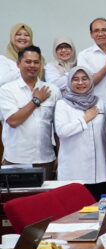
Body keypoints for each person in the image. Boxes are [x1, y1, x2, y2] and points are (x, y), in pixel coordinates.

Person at [0, 46, 61, 179]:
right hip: (16, 159)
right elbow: (13, 121)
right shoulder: (7, 90)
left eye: (36, 62)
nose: (32, 65)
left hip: (46, 159)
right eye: (28, 62)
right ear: (18, 64)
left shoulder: (53, 90)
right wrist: (36, 101)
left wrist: (60, 155)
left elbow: (58, 128)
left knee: (46, 193)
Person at [54, 66, 106, 199]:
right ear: (69, 82)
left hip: (99, 171)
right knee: (75, 209)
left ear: (90, 80)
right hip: (74, 170)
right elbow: (62, 131)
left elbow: (105, 132)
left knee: (99, 208)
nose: (80, 83)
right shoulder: (62, 104)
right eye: (75, 79)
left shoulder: (99, 102)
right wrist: (85, 119)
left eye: (85, 79)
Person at [78, 18, 106, 113]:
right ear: (91, 34)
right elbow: (86, 83)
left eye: (104, 30)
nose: (100, 34)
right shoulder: (84, 55)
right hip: (96, 107)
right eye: (96, 31)